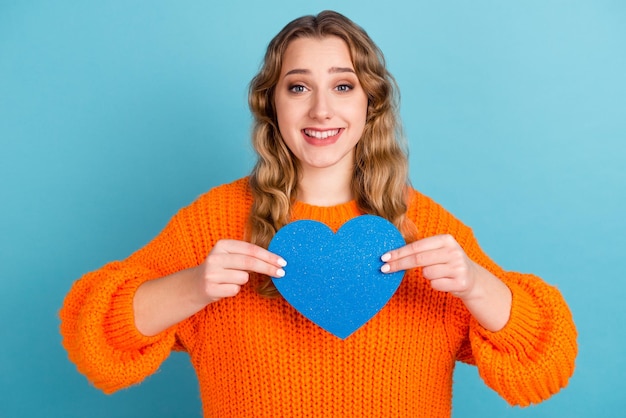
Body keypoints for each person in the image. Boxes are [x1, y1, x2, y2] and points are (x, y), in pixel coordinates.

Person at [60, 10, 577, 417]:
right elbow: (93, 339)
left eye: (344, 85)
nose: (322, 110)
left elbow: (545, 364)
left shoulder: (427, 229)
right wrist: (195, 285)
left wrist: (475, 286)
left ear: (370, 104)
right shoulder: (214, 221)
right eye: (299, 86)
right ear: (272, 104)